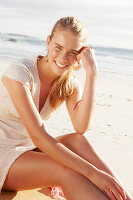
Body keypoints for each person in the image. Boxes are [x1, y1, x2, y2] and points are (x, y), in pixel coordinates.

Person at [0, 16, 132, 200]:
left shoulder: (68, 84)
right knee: (67, 171)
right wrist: (93, 173)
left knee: (79, 141)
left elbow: (80, 128)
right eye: (58, 47)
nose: (63, 57)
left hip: (25, 150)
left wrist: (92, 72)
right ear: (48, 42)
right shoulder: (19, 73)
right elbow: (39, 137)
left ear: (80, 54)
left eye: (72, 52)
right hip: (3, 152)